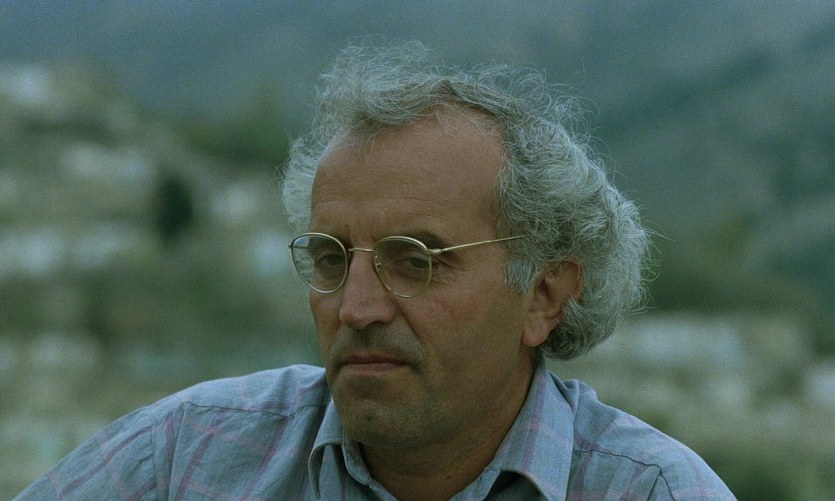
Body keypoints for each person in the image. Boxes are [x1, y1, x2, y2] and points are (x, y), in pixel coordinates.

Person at [16, 43, 734, 500]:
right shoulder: (188, 457)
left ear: (544, 295)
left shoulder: (652, 491)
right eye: (331, 258)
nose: (355, 307)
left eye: (414, 261)